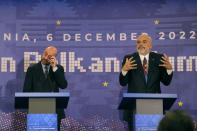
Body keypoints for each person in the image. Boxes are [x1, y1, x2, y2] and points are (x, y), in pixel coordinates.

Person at [119, 34, 173, 131]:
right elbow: (123, 82)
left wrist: (169, 70)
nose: (141, 44)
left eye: (144, 42)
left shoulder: (158, 58)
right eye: (138, 42)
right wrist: (124, 70)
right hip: (134, 108)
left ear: (151, 45)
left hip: (155, 107)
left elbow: (166, 82)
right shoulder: (129, 59)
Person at [23, 46, 68, 131]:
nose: (45, 57)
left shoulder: (58, 69)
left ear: (53, 58)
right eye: (45, 54)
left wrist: (54, 68)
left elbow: (63, 85)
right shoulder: (32, 69)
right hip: (37, 110)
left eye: (49, 56)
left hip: (54, 110)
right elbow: (26, 90)